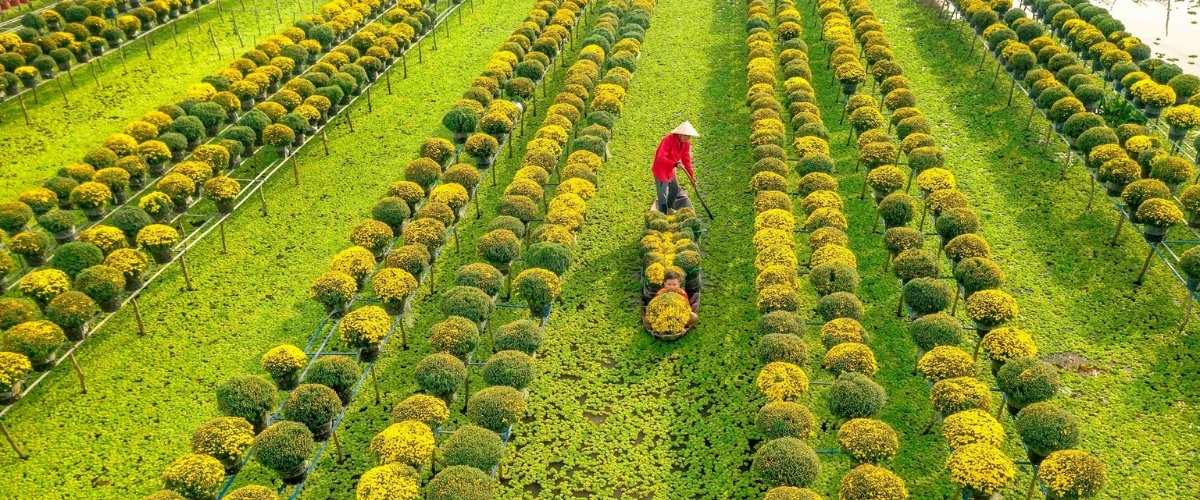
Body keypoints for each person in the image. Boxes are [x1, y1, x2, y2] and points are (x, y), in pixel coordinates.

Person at [651, 121, 700, 214]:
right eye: (687, 136)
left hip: (670, 170)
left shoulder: (686, 143)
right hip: (661, 169)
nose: (688, 138)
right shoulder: (668, 140)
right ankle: (662, 215)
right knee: (663, 195)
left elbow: (686, 160)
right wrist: (675, 164)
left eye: (690, 136)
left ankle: (669, 208)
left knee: (674, 190)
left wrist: (692, 176)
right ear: (680, 134)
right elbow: (661, 158)